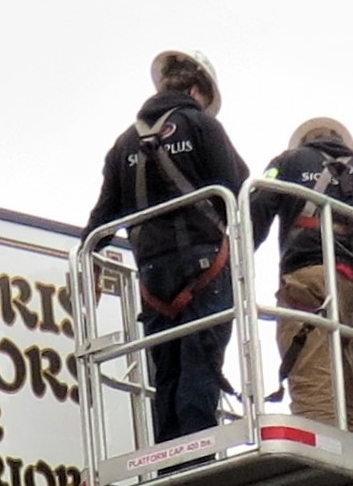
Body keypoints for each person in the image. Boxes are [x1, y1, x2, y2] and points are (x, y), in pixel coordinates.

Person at [85, 49, 250, 443]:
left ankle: (169, 460)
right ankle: (197, 455)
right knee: (199, 364)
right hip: (205, 268)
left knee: (168, 372)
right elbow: (239, 189)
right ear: (197, 90)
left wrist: (89, 258)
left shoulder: (124, 144)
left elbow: (102, 219)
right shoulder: (202, 126)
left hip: (154, 279)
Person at [250, 117, 353, 435]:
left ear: (304, 140)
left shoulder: (287, 162)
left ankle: (326, 464)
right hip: (349, 289)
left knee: (312, 384)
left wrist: (231, 267)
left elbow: (255, 214)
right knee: (349, 385)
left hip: (306, 282)